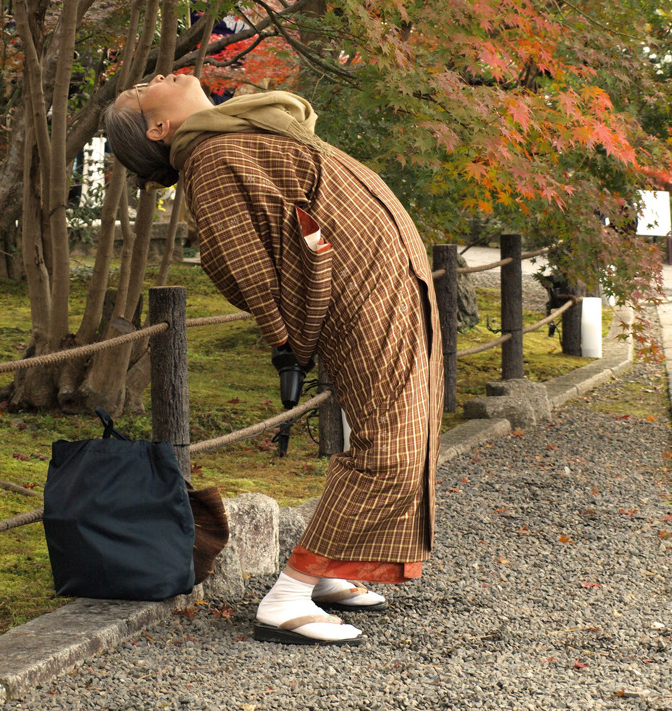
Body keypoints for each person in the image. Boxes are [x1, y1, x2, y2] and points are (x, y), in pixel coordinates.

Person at [103, 73, 444, 646]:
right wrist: (285, 338)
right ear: (159, 128)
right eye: (140, 93)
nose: (153, 77)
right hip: (360, 297)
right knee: (391, 447)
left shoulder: (245, 126)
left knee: (412, 429)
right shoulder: (210, 158)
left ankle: (336, 567)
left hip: (392, 286)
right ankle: (289, 595)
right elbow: (241, 264)